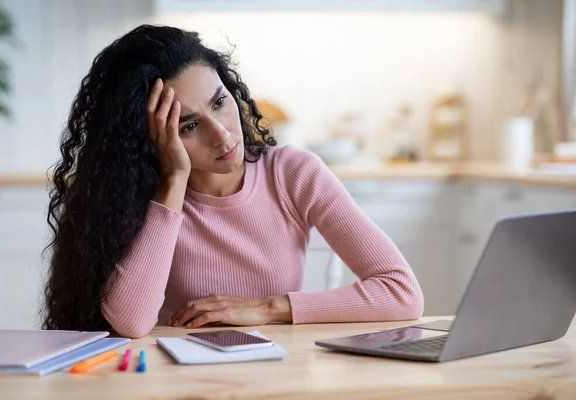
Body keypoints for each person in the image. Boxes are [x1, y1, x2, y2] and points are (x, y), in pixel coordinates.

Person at [42, 24, 424, 338]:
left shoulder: (293, 174)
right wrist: (174, 180)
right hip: (177, 385)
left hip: (277, 374)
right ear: (151, 138)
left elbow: (401, 292)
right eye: (189, 125)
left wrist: (270, 308)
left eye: (219, 103)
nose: (223, 136)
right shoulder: (138, 197)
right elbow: (131, 322)